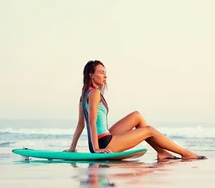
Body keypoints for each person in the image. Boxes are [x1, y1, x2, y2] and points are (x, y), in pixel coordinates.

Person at [65, 60, 206, 160]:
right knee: (149, 130)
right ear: (91, 75)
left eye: (105, 73)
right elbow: (90, 122)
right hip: (104, 143)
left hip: (103, 138)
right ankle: (186, 153)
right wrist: (96, 149)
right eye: (101, 72)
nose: (105, 76)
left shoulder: (84, 95)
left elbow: (80, 125)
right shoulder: (94, 93)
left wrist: (73, 148)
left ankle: (161, 151)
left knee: (136, 116)